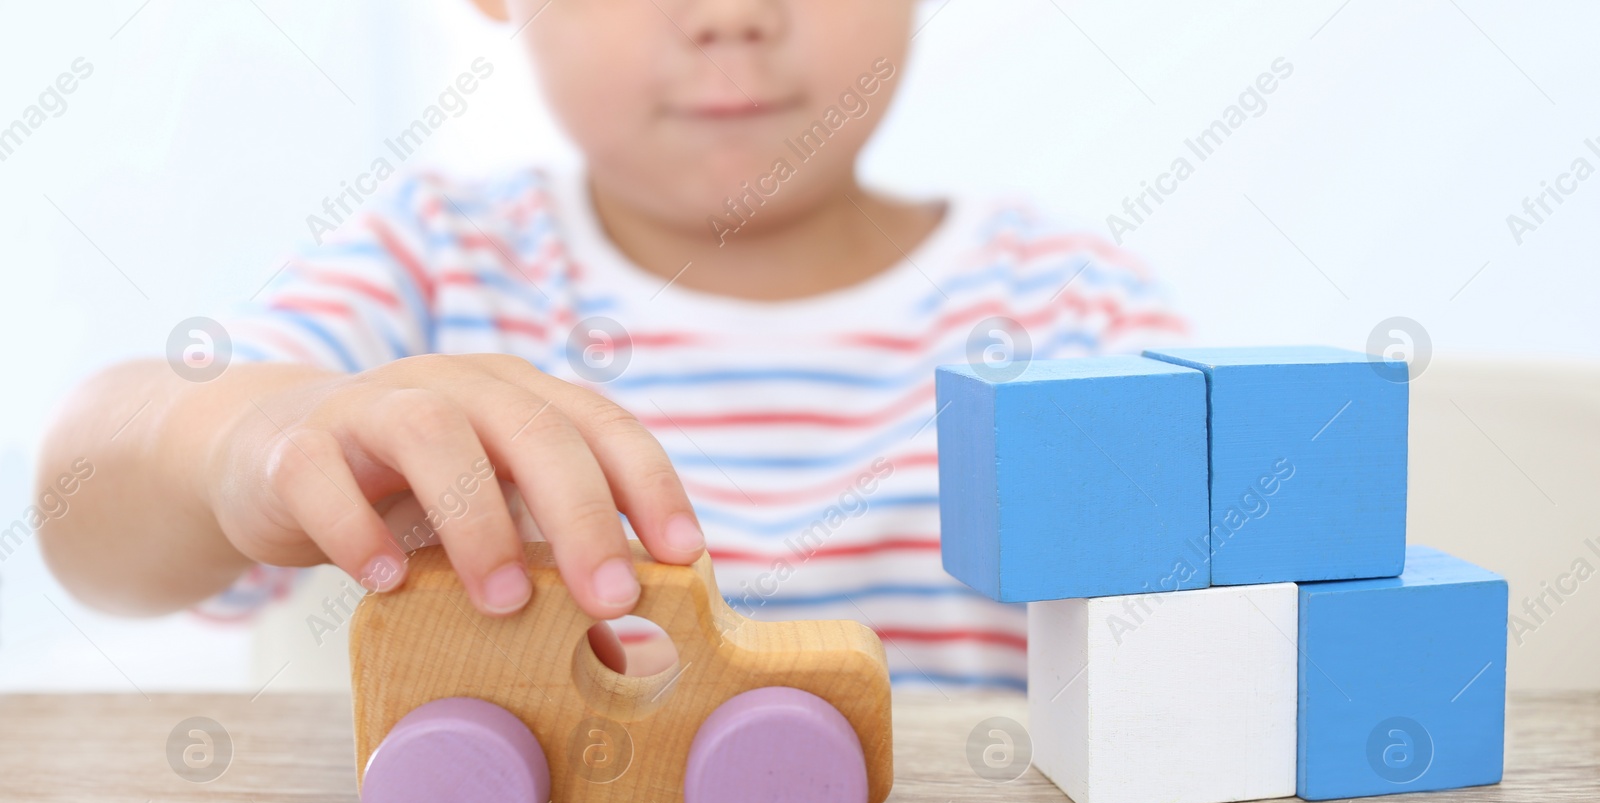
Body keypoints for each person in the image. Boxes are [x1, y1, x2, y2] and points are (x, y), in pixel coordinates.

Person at [37, 0, 1183, 691]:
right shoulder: (439, 258)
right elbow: (83, 502)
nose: (729, 13)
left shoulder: (1068, 306)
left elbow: (1208, 659)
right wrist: (251, 438)